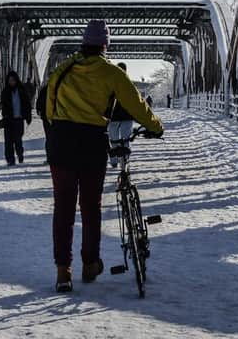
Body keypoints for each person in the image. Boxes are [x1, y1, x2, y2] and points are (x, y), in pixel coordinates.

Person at [45, 20, 164, 292]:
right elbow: (137, 105)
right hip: (91, 142)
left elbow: (49, 109)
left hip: (62, 141)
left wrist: (62, 127)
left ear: (83, 42)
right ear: (105, 45)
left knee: (63, 208)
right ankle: (90, 263)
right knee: (90, 206)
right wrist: (157, 126)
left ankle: (63, 271)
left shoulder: (63, 70)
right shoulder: (112, 73)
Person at [0, 70, 32, 165]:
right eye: (10, 80)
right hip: (9, 119)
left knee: (18, 139)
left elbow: (27, 104)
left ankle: (20, 154)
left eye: (13, 80)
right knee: (8, 141)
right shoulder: (5, 92)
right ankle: (10, 159)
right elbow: (4, 105)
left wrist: (28, 116)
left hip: (19, 119)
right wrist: (4, 114)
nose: (11, 82)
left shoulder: (22, 91)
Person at [106, 62, 134, 169]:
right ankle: (125, 160)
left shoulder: (110, 84)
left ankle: (114, 161)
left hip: (113, 118)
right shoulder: (129, 84)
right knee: (125, 140)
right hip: (127, 117)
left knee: (114, 140)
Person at [36, 80, 50, 163]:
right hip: (47, 117)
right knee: (49, 138)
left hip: (57, 118)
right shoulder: (45, 90)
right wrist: (39, 109)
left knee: (52, 138)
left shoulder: (60, 89)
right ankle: (49, 157)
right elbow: (39, 101)